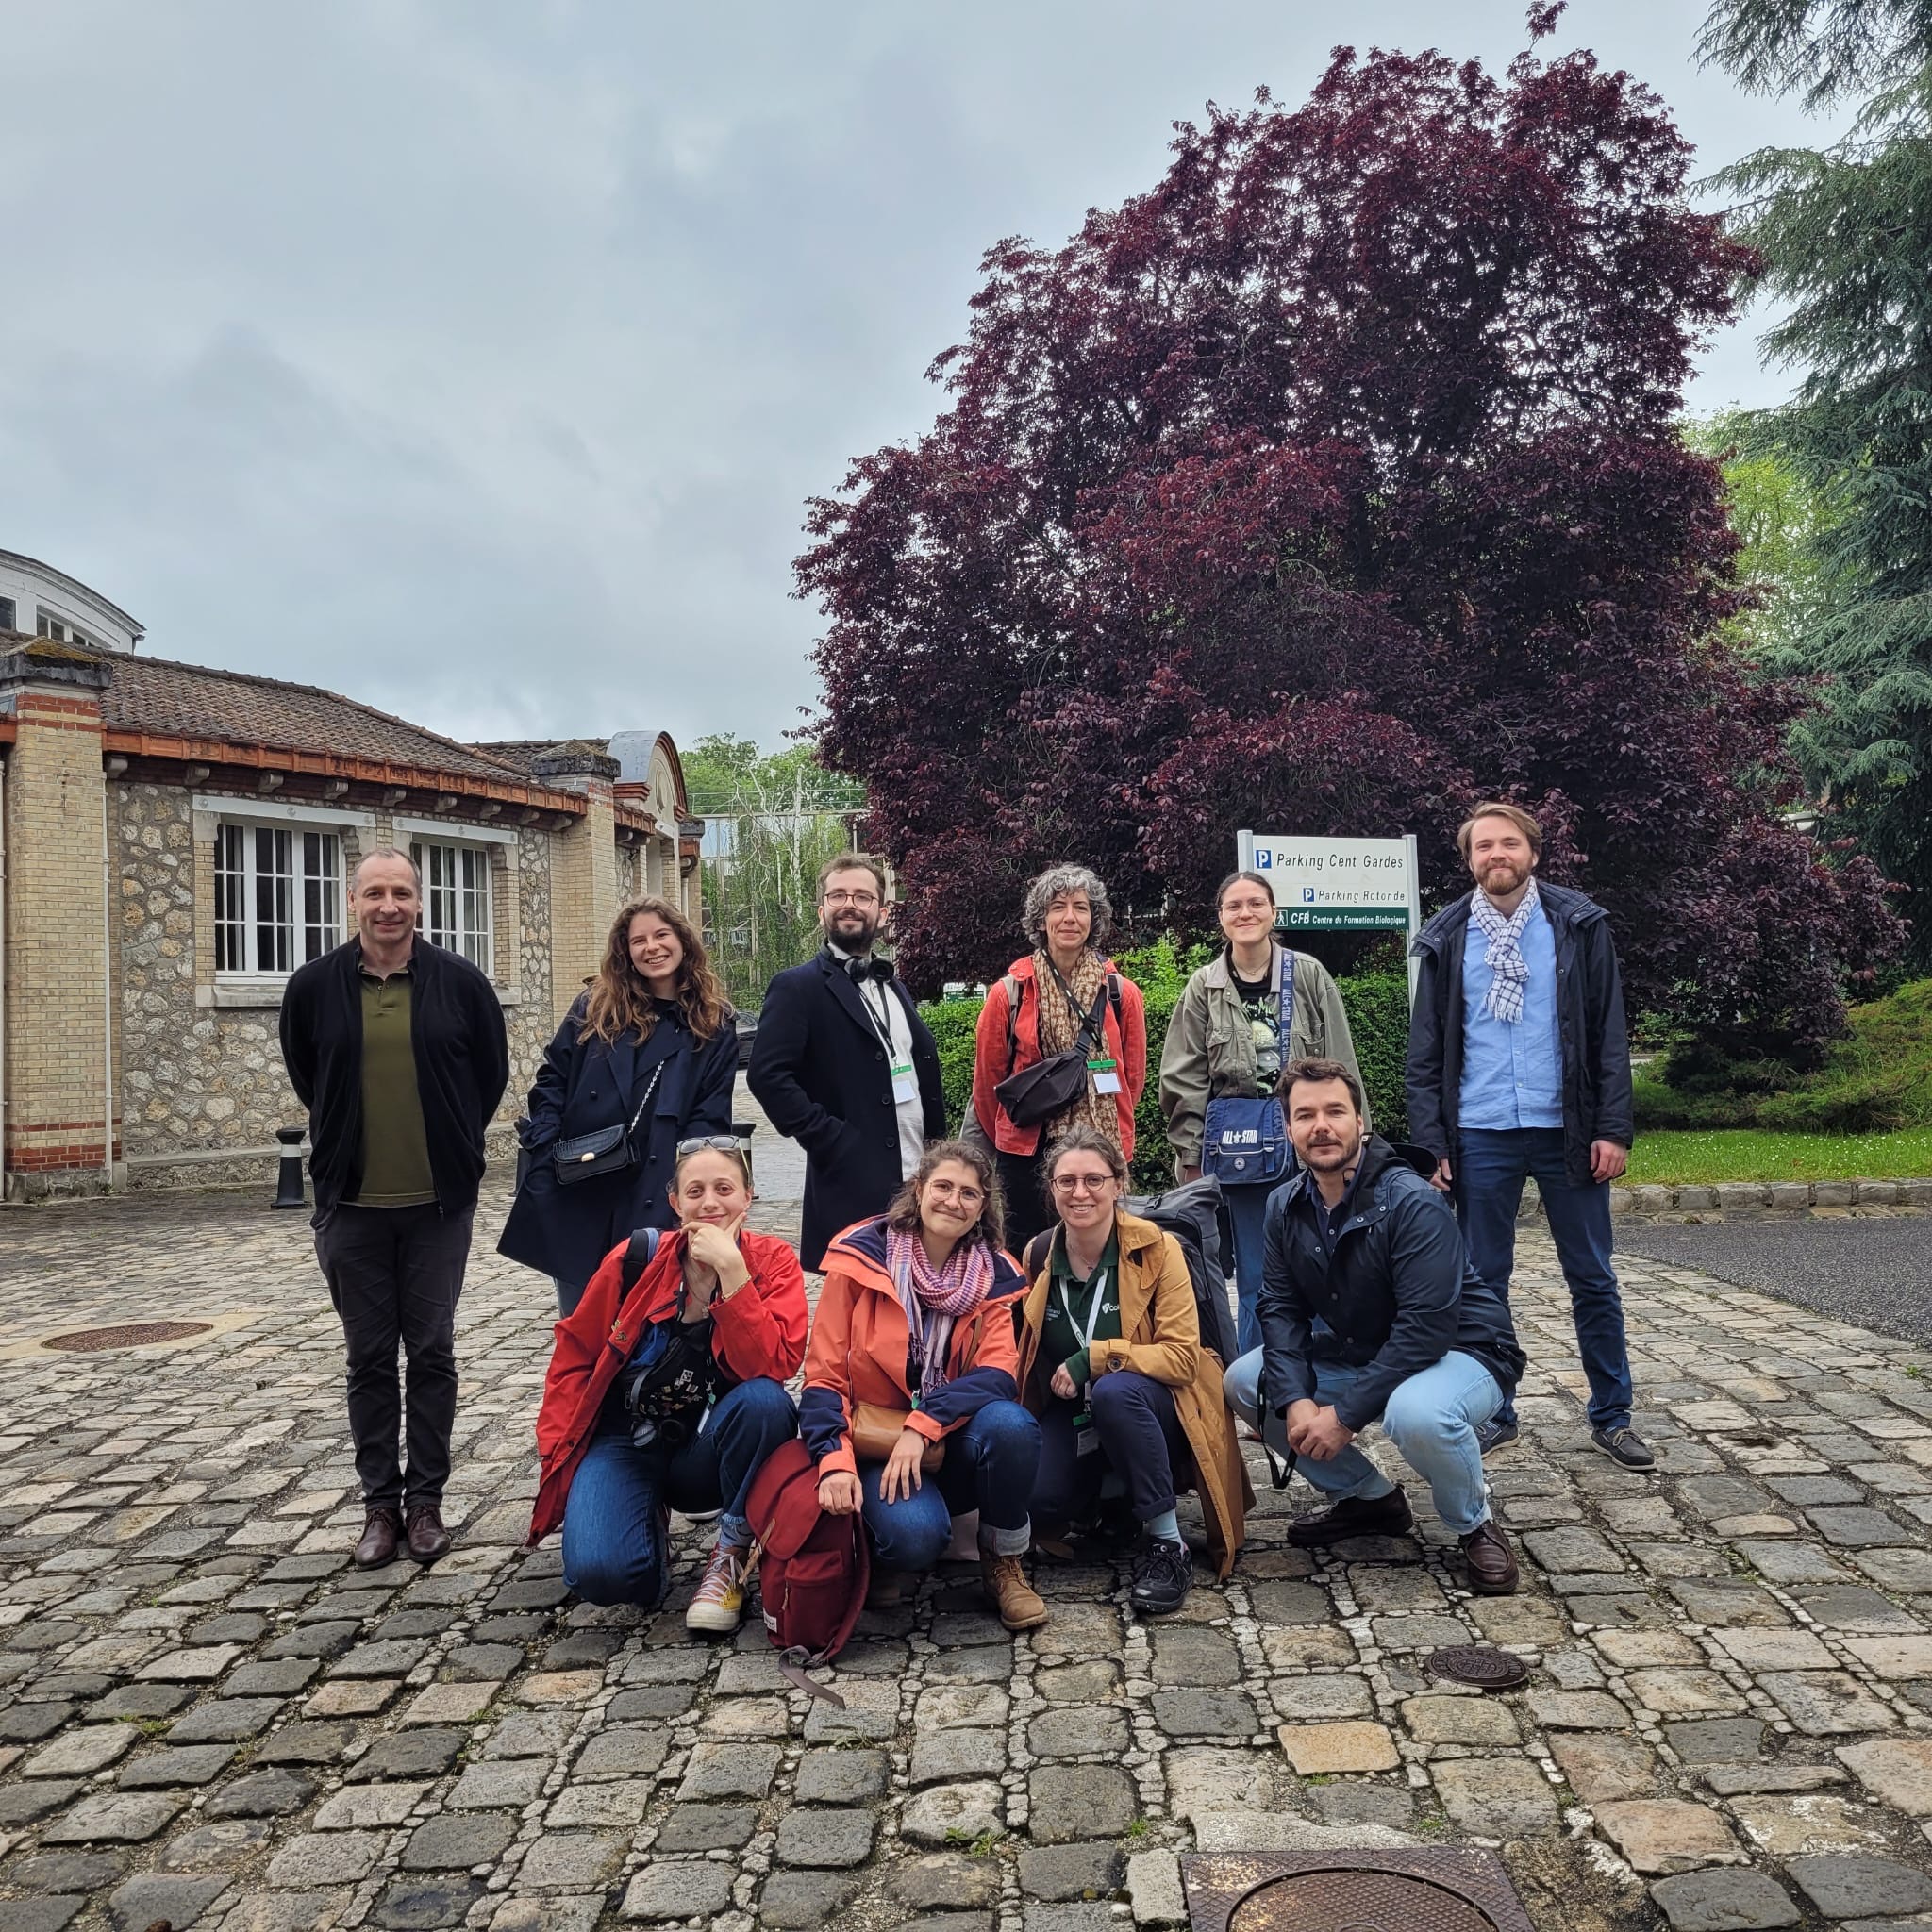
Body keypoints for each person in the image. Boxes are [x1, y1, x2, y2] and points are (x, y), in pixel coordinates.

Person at [280, 847, 509, 1568]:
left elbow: (489, 1076)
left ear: (419, 902)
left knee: (433, 1352)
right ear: (352, 901)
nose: (389, 906)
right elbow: (308, 1074)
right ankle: (380, 1507)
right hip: (352, 1206)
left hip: (437, 1206)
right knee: (370, 1357)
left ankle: (426, 1504)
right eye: (375, 893)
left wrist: (455, 1146)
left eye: (401, 893)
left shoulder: (461, 984)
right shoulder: (314, 987)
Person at [1224, 1058, 1524, 1595]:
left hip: (1465, 1351)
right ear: (1288, 1129)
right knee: (1248, 1381)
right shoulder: (1283, 1206)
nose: (1321, 1126)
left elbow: (1426, 1329)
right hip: (1363, 1348)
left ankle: (1473, 1523)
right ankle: (1368, 1499)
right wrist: (1295, 1400)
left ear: (1360, 1122)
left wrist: (1343, 1416)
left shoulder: (1414, 1201)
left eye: (1335, 1111)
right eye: (1305, 1115)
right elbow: (1281, 1309)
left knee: (1417, 1411)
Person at [1405, 802, 1647, 1468]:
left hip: (1568, 1129)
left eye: (1508, 843)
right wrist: (1432, 1145)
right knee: (1483, 1281)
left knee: (1592, 1275)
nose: (1497, 855)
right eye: (1483, 846)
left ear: (1533, 853)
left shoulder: (1577, 924)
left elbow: (1608, 1035)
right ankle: (1495, 1412)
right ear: (1469, 860)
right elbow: (1425, 1050)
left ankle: (1613, 1416)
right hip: (1480, 1130)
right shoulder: (1447, 936)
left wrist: (1613, 1128)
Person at [528, 1140, 808, 1633]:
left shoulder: (773, 1261)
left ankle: (731, 1552)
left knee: (767, 1402)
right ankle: (643, 1526)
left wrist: (733, 1274)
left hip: (710, 1447)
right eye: (695, 1191)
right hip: (627, 1439)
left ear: (748, 1196)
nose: (710, 1203)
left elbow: (774, 1364)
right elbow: (575, 1354)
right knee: (602, 1576)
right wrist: (558, 1451)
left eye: (725, 1189)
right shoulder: (635, 1259)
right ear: (675, 1203)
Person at [799, 1140, 1049, 1631]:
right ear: (919, 1190)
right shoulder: (861, 1260)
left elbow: (999, 1373)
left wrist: (924, 1423)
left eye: (969, 1194)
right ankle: (880, 1549)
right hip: (876, 1446)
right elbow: (823, 1375)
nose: (953, 1201)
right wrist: (833, 1460)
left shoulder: (993, 1274)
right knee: (914, 1540)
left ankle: (1002, 1561)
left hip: (946, 1440)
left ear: (983, 1206)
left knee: (1012, 1425)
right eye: (943, 1187)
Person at [1015, 1125, 1247, 1616]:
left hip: (1159, 1405)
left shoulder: (1158, 1249)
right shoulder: (1038, 1255)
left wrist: (1094, 1358)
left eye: (1094, 1180)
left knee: (1115, 1392)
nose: (1080, 1193)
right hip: (1076, 1412)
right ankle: (1114, 1499)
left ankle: (1168, 1544)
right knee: (1039, 1501)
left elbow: (1182, 1359)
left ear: (1119, 1183)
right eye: (1066, 1181)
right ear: (1051, 1189)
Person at [499, 895, 740, 1313]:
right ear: (625, 951)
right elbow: (552, 1080)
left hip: (657, 1191)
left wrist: (691, 1192)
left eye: (661, 935)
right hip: (581, 1185)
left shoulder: (712, 1023)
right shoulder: (594, 1007)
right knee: (582, 1324)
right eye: (639, 940)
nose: (652, 948)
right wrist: (546, 1147)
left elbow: (710, 1116)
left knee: (649, 1322)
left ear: (682, 941)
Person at [1159, 869, 1362, 1357]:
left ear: (1274, 913)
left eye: (1256, 904)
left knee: (1325, 1265)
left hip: (1313, 1142)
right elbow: (1183, 1077)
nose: (1245, 913)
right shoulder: (1203, 987)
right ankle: (1257, 1382)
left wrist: (1360, 1144)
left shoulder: (1309, 975)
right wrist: (1191, 1155)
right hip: (1241, 1155)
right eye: (1234, 906)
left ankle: (1324, 1375)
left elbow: (1342, 1062)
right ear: (1221, 918)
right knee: (1256, 1274)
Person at [749, 852, 947, 1271]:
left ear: (882, 912)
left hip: (920, 1180)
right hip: (851, 1181)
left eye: (862, 896)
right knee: (859, 1305)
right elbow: (768, 1076)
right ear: (821, 911)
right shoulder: (796, 987)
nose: (850, 904)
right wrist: (831, 1139)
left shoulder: (893, 986)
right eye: (837, 895)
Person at [971, 863, 1147, 1250]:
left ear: (1094, 918)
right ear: (1041, 919)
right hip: (1028, 1153)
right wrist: (1014, 1132)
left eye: (1081, 907)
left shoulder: (1121, 994)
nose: (1070, 917)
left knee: (1101, 1251)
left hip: (1102, 1148)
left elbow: (1132, 1079)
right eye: (1057, 907)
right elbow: (988, 1085)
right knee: (1031, 1253)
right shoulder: (1009, 993)